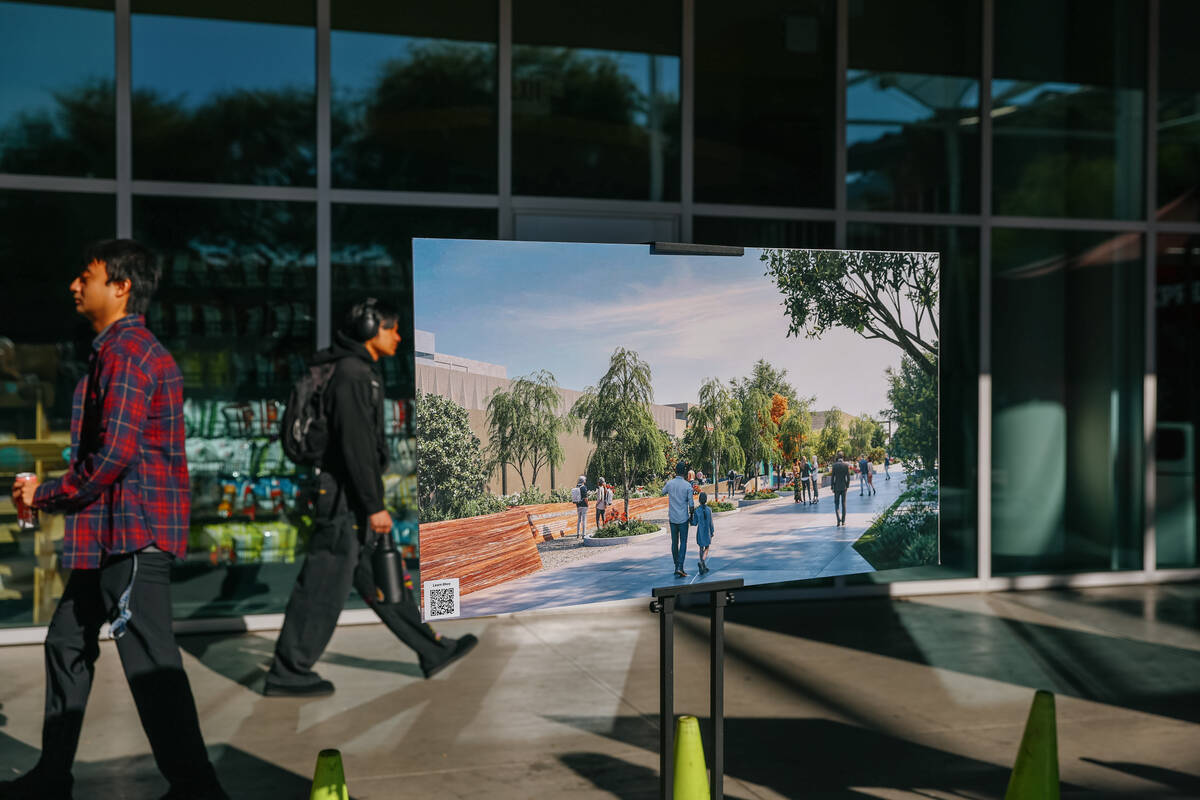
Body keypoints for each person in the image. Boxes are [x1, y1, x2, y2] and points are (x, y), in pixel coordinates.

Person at [3, 240, 228, 800]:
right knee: (65, 644)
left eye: (87, 276)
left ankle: (198, 788)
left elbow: (112, 456)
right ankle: (53, 776)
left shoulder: (128, 353)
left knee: (153, 671)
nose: (75, 287)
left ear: (121, 286)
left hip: (131, 537)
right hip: (106, 536)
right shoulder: (111, 352)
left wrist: (45, 494)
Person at [265, 298, 477, 697]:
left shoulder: (355, 371)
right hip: (344, 499)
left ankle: (431, 650)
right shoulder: (352, 374)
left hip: (348, 497)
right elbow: (356, 447)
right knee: (321, 587)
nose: (398, 335)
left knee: (385, 580)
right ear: (369, 328)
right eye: (392, 328)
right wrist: (374, 506)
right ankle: (287, 671)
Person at [662, 461, 695, 577]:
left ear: (675, 471)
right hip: (683, 518)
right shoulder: (687, 486)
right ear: (685, 473)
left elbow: (662, 491)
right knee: (684, 542)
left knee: (674, 543)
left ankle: (676, 565)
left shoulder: (670, 484)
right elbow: (691, 504)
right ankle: (680, 566)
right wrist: (692, 515)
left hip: (672, 518)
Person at [694, 492, 716, 574]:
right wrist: (712, 531)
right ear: (706, 500)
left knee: (700, 548)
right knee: (707, 548)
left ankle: (703, 565)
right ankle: (702, 561)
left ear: (699, 500)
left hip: (700, 532)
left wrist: (691, 518)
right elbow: (711, 522)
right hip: (707, 532)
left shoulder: (697, 511)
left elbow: (694, 523)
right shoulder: (709, 510)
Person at [830, 452, 851, 526]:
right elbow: (848, 477)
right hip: (844, 487)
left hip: (836, 487)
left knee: (836, 504)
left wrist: (832, 486)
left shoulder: (834, 465)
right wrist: (847, 486)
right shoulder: (846, 465)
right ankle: (843, 521)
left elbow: (833, 477)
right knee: (843, 503)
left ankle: (838, 520)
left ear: (837, 457)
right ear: (843, 457)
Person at [573, 475, 589, 539]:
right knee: (584, 520)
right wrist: (587, 504)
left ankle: (578, 534)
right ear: (583, 481)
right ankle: (584, 534)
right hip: (584, 505)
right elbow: (585, 498)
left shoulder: (576, 487)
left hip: (578, 505)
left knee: (579, 520)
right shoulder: (584, 487)